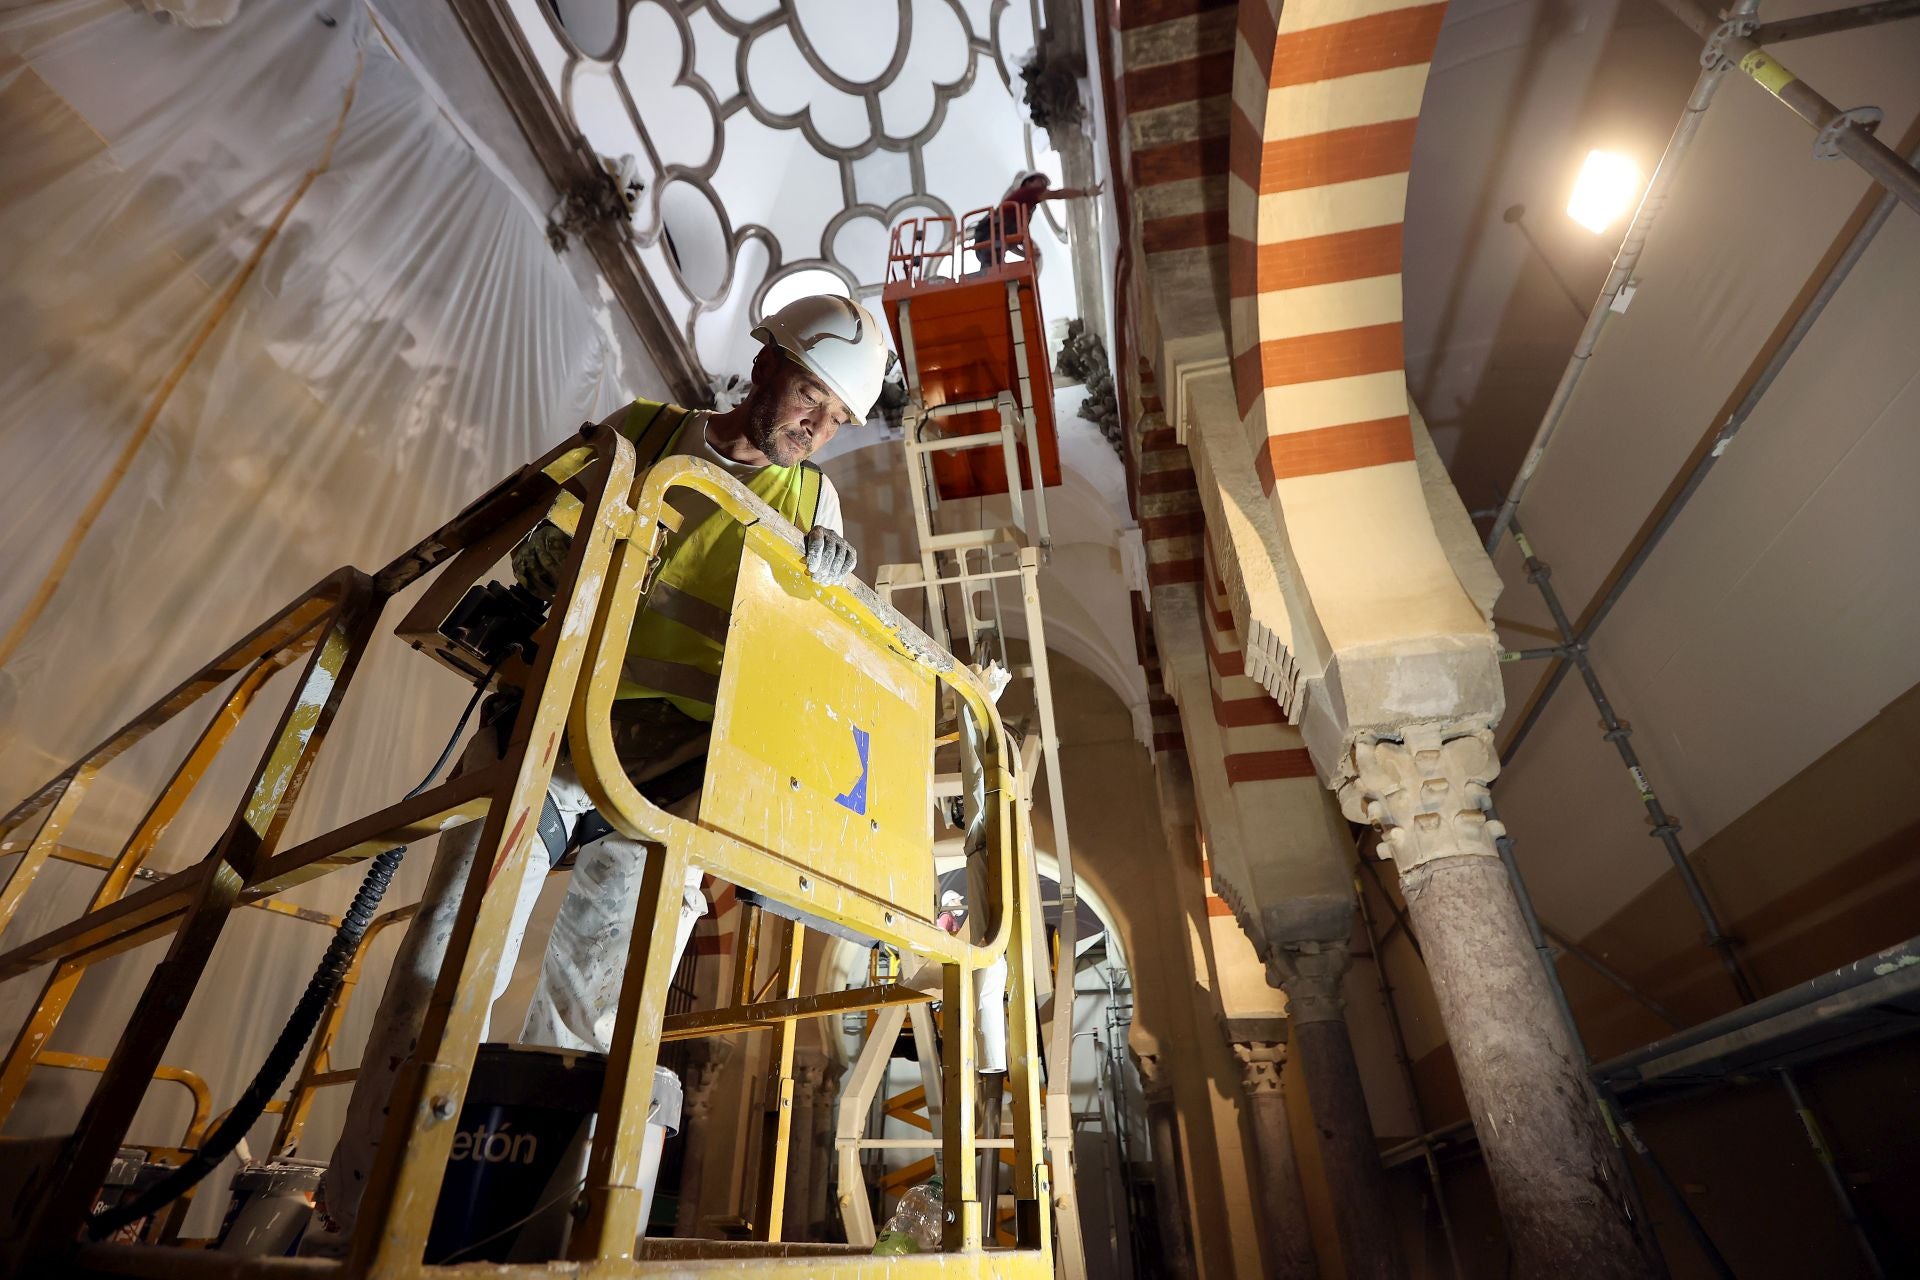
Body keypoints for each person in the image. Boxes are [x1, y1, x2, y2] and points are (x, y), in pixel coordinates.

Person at [308, 294, 890, 1247]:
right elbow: (538, 556)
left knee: (591, 1002)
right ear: (766, 359)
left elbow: (801, 662)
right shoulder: (645, 432)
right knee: (444, 957)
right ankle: (360, 1203)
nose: (817, 427)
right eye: (811, 396)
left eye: (836, 419)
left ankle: (515, 1230)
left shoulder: (810, 501)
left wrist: (829, 589)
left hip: (662, 780)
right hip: (549, 731)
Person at [970, 171, 1103, 271]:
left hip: (986, 248)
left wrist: (1026, 254)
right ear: (1028, 182)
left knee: (992, 272)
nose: (1044, 186)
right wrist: (1085, 192)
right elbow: (1057, 194)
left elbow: (1010, 241)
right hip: (989, 245)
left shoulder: (1021, 210)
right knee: (993, 273)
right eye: (1041, 182)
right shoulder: (1028, 192)